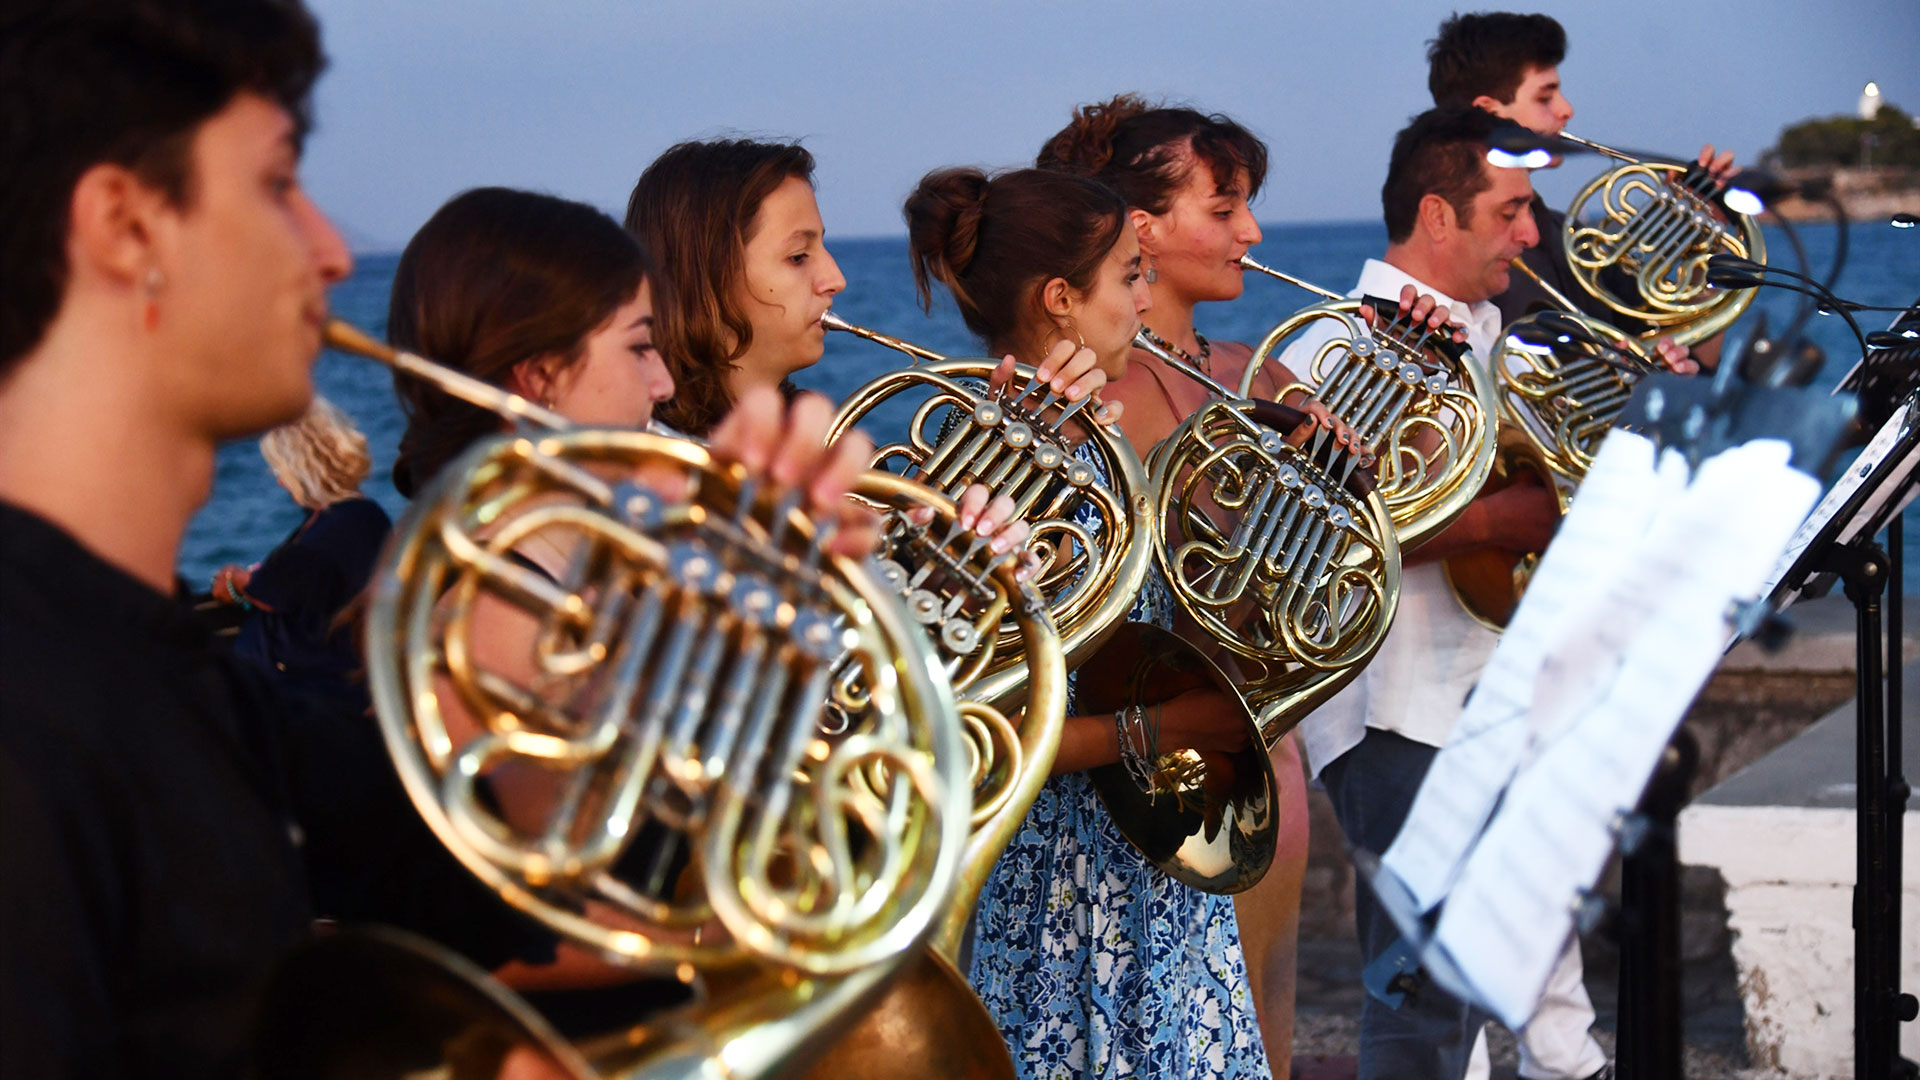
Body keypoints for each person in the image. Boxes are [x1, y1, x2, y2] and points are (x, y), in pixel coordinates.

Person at [0, 4, 885, 1072]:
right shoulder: (42, 695)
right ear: (126, 227)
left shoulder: (180, 682)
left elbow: (505, 880)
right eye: (280, 185)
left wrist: (718, 590)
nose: (330, 253)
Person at [1038, 93, 1400, 1075]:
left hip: (1265, 758)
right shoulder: (1091, 395)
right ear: (1144, 231)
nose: (1252, 232)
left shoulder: (1262, 376)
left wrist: (1338, 471)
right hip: (1155, 770)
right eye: (1226, 205)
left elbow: (1320, 579)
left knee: (1262, 1037)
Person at [905, 163, 1268, 1079]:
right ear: (1062, 299)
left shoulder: (1094, 452)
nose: (1145, 304)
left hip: (1146, 872)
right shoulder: (991, 468)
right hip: (1066, 896)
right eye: (1128, 279)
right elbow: (970, 725)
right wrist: (1161, 728)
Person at [1426, 11, 1736, 366]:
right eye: (1544, 98)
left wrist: (1702, 244)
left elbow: (1694, 358)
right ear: (1489, 113)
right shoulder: (1454, 256)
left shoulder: (1571, 239)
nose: (1567, 110)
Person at [210, 394, 391, 707]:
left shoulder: (320, 543)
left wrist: (234, 580)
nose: (280, 482)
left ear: (304, 470)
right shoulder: (367, 515)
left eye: (281, 470)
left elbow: (265, 590)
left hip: (307, 693)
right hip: (341, 677)